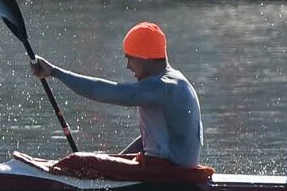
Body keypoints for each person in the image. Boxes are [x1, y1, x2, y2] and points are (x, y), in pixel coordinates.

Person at [29, 22, 203, 169]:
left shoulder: (160, 86)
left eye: (129, 58)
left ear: (144, 57)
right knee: (92, 161)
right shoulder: (178, 81)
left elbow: (100, 91)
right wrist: (116, 162)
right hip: (174, 169)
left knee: (78, 162)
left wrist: (55, 72)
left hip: (167, 175)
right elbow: (149, 139)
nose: (128, 66)